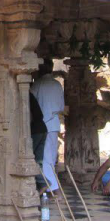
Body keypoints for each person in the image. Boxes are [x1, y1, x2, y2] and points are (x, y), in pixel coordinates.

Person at [30, 60, 65, 194]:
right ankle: (50, 186)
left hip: (41, 125)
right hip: (54, 124)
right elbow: (61, 107)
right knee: (50, 157)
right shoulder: (57, 85)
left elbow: (30, 105)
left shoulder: (37, 85)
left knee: (43, 158)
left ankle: (51, 187)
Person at [29, 89, 48, 193]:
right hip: (42, 128)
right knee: (38, 160)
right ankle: (42, 184)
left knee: (27, 158)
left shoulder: (23, 95)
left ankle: (43, 182)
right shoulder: (30, 95)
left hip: (35, 130)